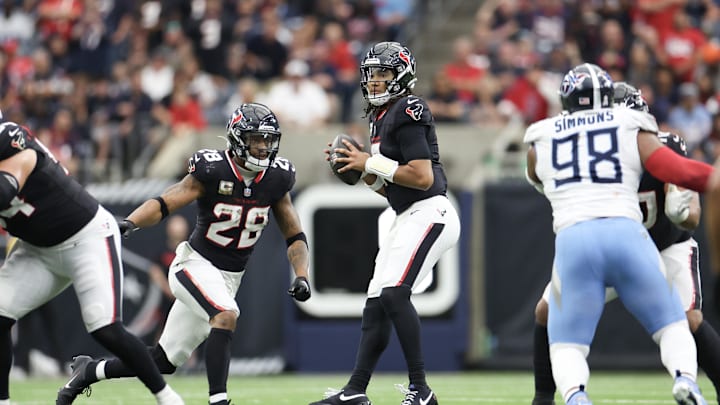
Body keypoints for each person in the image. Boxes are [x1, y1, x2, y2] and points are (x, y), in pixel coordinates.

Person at [55, 102, 311, 405]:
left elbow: (294, 234)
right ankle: (219, 400)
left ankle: (89, 370)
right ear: (238, 138)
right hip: (194, 265)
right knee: (225, 315)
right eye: (257, 139)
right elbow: (166, 202)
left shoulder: (276, 178)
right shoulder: (212, 169)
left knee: (164, 360)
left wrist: (302, 275)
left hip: (230, 278)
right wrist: (130, 222)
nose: (263, 147)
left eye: (268, 140)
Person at [524, 63, 718, 405]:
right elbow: (673, 167)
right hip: (629, 237)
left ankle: (574, 396)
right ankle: (686, 380)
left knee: (568, 340)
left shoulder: (543, 135)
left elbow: (538, 179)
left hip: (589, 238)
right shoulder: (628, 128)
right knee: (671, 324)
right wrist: (710, 177)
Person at [308, 41, 461, 405]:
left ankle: (421, 390)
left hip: (431, 211)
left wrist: (368, 161)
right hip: (406, 212)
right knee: (376, 301)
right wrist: (360, 170)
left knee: (394, 293)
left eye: (383, 74)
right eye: (371, 75)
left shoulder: (409, 108)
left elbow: (422, 177)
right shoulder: (380, 117)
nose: (375, 82)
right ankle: (355, 391)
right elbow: (392, 189)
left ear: (402, 76)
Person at [0, 114, 184, 405]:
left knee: (105, 328)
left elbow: (4, 192)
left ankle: (168, 398)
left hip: (85, 237)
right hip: (36, 250)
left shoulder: (14, 146)